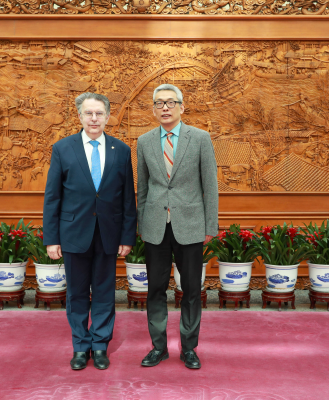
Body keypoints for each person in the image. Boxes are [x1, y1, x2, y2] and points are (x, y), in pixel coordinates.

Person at [43, 92, 137, 371]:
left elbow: (127, 199)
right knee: (77, 293)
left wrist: (127, 236)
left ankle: (100, 346)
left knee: (105, 292)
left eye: (99, 113)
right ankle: (80, 347)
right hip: (73, 233)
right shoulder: (63, 148)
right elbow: (52, 197)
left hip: (109, 234)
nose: (94, 118)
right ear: (80, 116)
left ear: (108, 117)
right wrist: (52, 239)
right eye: (88, 113)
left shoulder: (121, 150)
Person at [136, 84, 219, 369]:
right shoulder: (144, 141)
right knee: (155, 290)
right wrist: (141, 224)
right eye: (159, 103)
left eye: (170, 102)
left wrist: (210, 225)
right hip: (155, 226)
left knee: (191, 290)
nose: (165, 108)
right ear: (153, 109)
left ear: (182, 107)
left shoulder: (200, 138)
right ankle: (158, 347)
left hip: (191, 225)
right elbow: (142, 187)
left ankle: (189, 348)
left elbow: (210, 186)